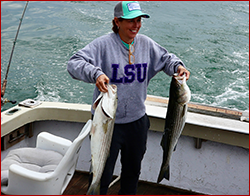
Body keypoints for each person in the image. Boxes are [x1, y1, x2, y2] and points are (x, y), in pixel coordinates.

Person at [67, 1, 190, 194]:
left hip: (137, 123)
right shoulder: (103, 45)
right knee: (101, 175)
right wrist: (96, 74)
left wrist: (178, 67)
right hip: (107, 124)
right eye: (130, 21)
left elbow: (167, 59)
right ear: (117, 21)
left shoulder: (146, 44)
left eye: (139, 20)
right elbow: (74, 63)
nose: (136, 25)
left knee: (132, 173)